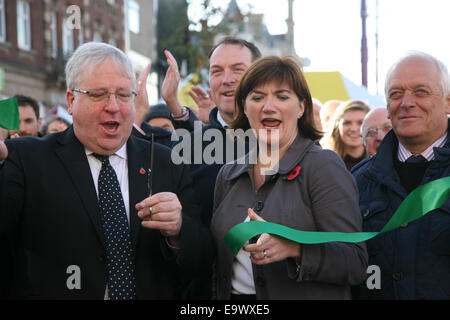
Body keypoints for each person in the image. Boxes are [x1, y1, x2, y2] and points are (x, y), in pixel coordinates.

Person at [0, 42, 214, 299]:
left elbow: (201, 259)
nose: (113, 106)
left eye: (123, 95)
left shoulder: (165, 162)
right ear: (71, 100)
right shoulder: (26, 159)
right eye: (98, 94)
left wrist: (178, 230)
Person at [212, 56, 368, 300]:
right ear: (244, 106)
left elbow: (355, 263)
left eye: (282, 96)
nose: (268, 106)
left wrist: (294, 249)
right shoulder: (228, 174)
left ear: (302, 107)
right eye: (257, 97)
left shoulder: (323, 166)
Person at [161, 36, 262, 299]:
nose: (226, 79)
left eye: (237, 70)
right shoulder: (186, 149)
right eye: (217, 71)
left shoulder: (290, 147)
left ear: (260, 77)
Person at [351, 51, 450, 299]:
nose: (406, 102)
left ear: (448, 101)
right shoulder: (359, 181)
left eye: (421, 92)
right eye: (396, 94)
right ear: (387, 106)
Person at [322, 100, 370, 170]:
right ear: (337, 126)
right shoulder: (323, 162)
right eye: (347, 123)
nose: (354, 129)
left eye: (360, 123)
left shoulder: (381, 162)